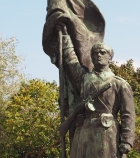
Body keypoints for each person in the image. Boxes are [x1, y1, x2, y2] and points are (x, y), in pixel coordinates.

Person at [58, 24, 135, 158]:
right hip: (84, 132)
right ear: (91, 58)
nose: (98, 55)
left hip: (107, 134)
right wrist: (65, 37)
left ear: (110, 57)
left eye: (102, 52)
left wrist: (127, 141)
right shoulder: (83, 79)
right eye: (95, 53)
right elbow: (71, 61)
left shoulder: (119, 84)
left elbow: (128, 115)